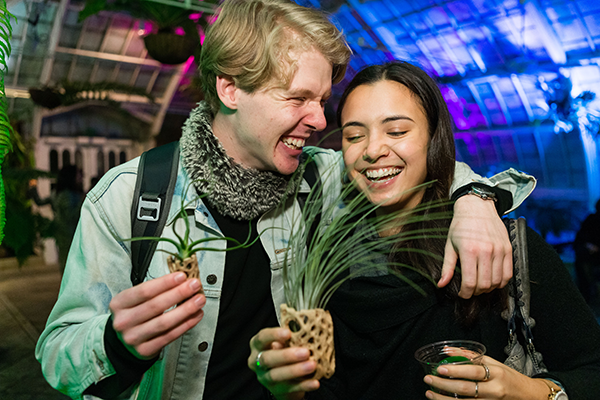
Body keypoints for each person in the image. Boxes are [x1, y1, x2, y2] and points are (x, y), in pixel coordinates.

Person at [35, 1, 535, 399]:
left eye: (322, 101)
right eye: (297, 99)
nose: (320, 121)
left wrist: (474, 198)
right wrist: (115, 343)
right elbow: (58, 353)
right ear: (230, 89)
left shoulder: (321, 176)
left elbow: (411, 166)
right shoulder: (131, 197)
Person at [248, 61, 600, 400]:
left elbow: (591, 370)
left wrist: (523, 390)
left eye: (397, 131)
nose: (372, 150)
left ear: (434, 137)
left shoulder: (500, 245)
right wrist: (284, 388)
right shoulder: (322, 258)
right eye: (355, 135)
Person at [28, 164, 84, 273]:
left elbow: (40, 202)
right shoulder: (69, 195)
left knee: (64, 261)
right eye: (78, 175)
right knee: (73, 263)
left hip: (60, 232)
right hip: (71, 234)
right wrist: (83, 205)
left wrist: (33, 189)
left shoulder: (56, 194)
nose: (80, 177)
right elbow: (70, 215)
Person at [574, 199, 600, 304]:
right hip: (589, 256)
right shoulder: (592, 219)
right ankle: (586, 298)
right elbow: (580, 238)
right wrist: (588, 245)